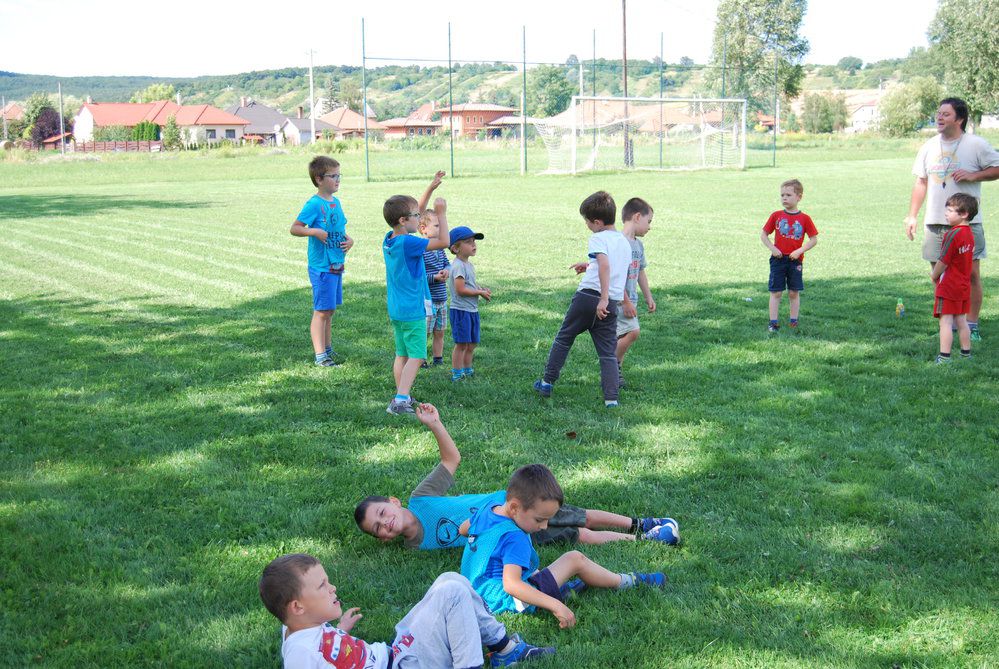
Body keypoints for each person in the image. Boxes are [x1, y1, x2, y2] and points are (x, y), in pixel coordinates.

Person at [353, 403, 679, 549]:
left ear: (393, 502)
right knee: (579, 535)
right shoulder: (415, 548)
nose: (385, 523)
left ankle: (639, 523)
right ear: (383, 538)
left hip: (514, 505)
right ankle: (644, 539)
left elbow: (452, 459)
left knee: (582, 516)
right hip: (511, 533)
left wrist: (435, 425)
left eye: (381, 513)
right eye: (377, 528)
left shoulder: (421, 498)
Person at [460, 464, 668, 629]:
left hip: (475, 590)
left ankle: (562, 588)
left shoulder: (488, 510)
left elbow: (463, 529)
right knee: (574, 559)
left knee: (538, 569)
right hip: (504, 601)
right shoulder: (515, 537)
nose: (544, 526)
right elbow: (512, 585)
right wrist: (555, 605)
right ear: (514, 507)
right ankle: (626, 581)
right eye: (539, 519)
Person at [260, 553, 555, 668]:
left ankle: (504, 649)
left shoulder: (297, 625)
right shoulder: (300, 654)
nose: (333, 588)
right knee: (453, 593)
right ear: (297, 606)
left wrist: (340, 630)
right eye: (322, 586)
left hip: (397, 652)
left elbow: (323, 650)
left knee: (449, 580)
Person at [905, 97, 999, 341]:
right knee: (939, 276)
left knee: (971, 276)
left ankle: (972, 324)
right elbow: (921, 182)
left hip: (967, 225)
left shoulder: (976, 144)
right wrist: (912, 215)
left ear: (959, 119)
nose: (939, 117)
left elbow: (997, 168)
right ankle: (949, 323)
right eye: (938, 113)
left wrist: (974, 175)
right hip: (935, 222)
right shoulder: (928, 146)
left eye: (945, 114)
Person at [533, 191, 631, 407]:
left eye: (587, 221)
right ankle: (611, 399)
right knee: (608, 353)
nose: (587, 225)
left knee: (564, 338)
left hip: (589, 298)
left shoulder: (597, 237)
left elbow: (604, 264)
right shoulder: (624, 243)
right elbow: (613, 268)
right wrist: (589, 266)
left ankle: (547, 382)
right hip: (611, 304)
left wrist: (602, 298)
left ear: (597, 222)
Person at [382, 193, 450, 416]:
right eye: (416, 216)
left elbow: (410, 213)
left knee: (402, 354)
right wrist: (441, 213)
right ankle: (400, 401)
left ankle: (402, 394)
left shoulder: (390, 239)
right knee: (418, 356)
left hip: (397, 309)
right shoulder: (409, 242)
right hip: (412, 310)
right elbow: (444, 242)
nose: (420, 218)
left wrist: (430, 188)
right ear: (403, 220)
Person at [290, 156, 354, 366]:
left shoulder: (336, 202)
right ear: (319, 179)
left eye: (339, 175)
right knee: (321, 311)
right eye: (333, 176)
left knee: (330, 310)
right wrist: (315, 231)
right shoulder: (314, 204)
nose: (338, 180)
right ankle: (320, 357)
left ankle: (327, 349)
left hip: (336, 264)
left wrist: (349, 240)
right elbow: (295, 228)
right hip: (322, 266)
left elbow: (339, 229)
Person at [760, 179, 818, 333]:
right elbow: (764, 235)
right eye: (782, 195)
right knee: (776, 292)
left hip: (795, 261)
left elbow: (813, 240)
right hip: (778, 260)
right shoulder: (776, 215)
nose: (784, 198)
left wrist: (799, 251)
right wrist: (772, 248)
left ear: (799, 197)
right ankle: (773, 323)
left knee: (793, 292)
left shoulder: (805, 218)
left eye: (788, 195)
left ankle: (794, 321)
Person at [615, 197, 657, 388]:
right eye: (649, 221)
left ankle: (615, 373)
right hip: (619, 300)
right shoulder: (619, 242)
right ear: (637, 217)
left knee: (621, 336)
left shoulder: (638, 245)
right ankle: (610, 363)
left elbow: (640, 271)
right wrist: (625, 302)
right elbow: (614, 275)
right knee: (633, 332)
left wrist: (648, 296)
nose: (650, 227)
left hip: (631, 299)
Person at [931, 193, 977, 364]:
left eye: (950, 211)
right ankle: (966, 354)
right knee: (961, 320)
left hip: (949, 286)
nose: (946, 213)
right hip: (963, 286)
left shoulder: (953, 234)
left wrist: (934, 275)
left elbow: (943, 261)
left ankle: (944, 357)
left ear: (964, 214)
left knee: (945, 322)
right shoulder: (969, 234)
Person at [447, 226, 491, 381]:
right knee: (461, 344)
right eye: (468, 242)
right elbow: (460, 289)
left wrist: (480, 289)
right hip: (461, 311)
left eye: (473, 241)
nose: (473, 244)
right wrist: (478, 293)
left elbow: (469, 284)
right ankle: (457, 373)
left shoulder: (468, 265)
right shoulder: (458, 266)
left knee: (471, 344)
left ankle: (467, 369)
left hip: (471, 310)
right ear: (455, 248)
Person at [417, 171, 450, 369]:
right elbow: (420, 276)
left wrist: (447, 270)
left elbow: (447, 263)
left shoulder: (439, 249)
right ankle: (420, 359)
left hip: (442, 299)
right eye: (436, 225)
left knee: (440, 331)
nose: (440, 229)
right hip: (428, 300)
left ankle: (438, 358)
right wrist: (435, 277)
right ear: (423, 229)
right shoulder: (421, 250)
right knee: (425, 332)